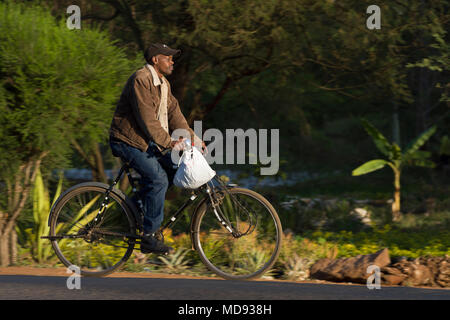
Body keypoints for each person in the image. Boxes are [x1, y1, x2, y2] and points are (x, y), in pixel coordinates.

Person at [109, 43, 205, 254]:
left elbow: (175, 116)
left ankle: (131, 210)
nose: (172, 61)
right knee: (158, 179)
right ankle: (149, 237)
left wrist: (194, 139)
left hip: (145, 142)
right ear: (155, 60)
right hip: (126, 141)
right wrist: (168, 141)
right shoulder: (141, 79)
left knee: (174, 169)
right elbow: (147, 119)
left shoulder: (164, 84)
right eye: (168, 57)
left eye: (172, 58)